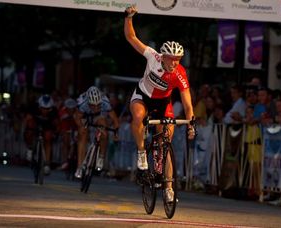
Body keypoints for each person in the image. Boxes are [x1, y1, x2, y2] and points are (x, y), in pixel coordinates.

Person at [124, 6, 195, 203]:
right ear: (163, 57)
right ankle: (141, 153)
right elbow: (132, 38)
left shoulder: (180, 73)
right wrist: (129, 17)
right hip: (143, 97)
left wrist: (191, 123)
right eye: (172, 59)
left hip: (164, 104)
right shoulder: (152, 56)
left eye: (178, 59)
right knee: (138, 117)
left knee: (165, 144)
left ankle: (169, 188)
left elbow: (187, 103)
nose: (174, 63)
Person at [74, 86, 119, 179]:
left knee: (104, 130)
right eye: (93, 105)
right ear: (88, 102)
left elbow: (115, 120)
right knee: (82, 134)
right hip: (85, 116)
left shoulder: (105, 102)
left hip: (99, 116)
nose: (95, 107)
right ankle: (79, 166)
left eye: (98, 105)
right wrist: (81, 126)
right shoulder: (82, 102)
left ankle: (101, 157)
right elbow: (77, 117)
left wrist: (115, 133)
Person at [24, 94, 59, 175]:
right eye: (43, 108)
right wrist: (28, 129)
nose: (45, 111)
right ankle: (30, 149)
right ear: (39, 106)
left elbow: (57, 124)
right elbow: (27, 119)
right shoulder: (34, 107)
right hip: (35, 123)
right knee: (29, 130)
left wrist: (56, 133)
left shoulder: (53, 111)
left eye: (47, 109)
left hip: (47, 125)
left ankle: (46, 164)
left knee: (48, 138)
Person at [58, 98, 78, 170]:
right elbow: (62, 126)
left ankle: (76, 160)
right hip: (66, 128)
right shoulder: (62, 111)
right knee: (65, 141)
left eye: (72, 109)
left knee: (76, 141)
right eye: (69, 109)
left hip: (76, 128)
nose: (70, 111)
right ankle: (65, 161)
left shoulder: (78, 112)